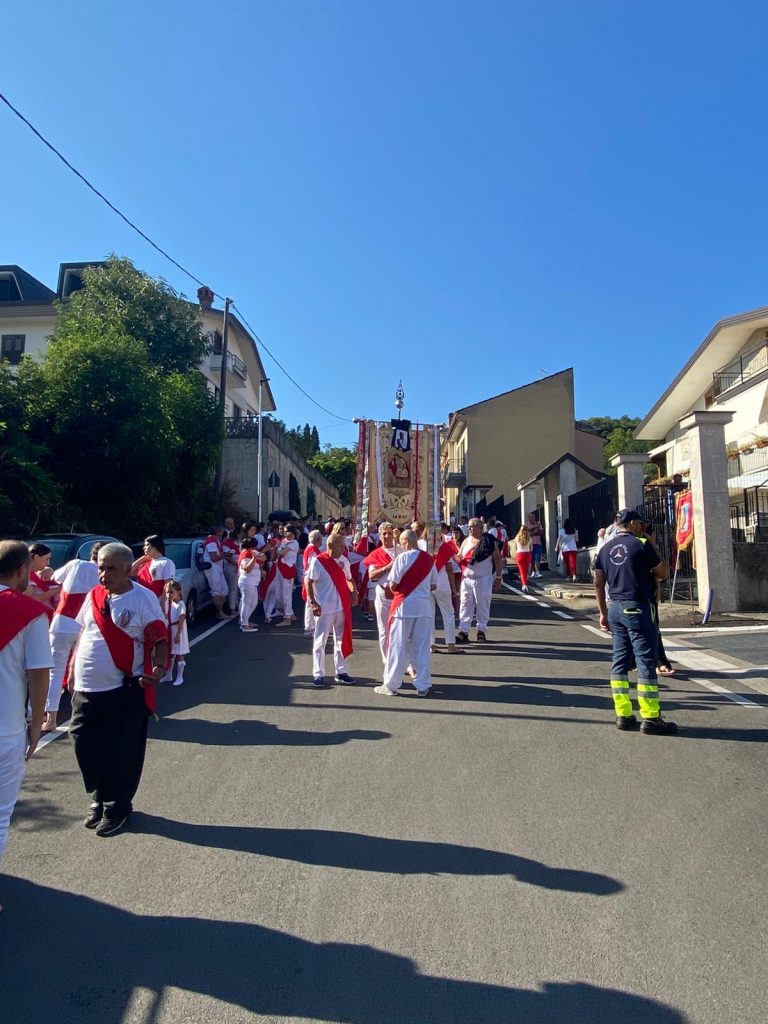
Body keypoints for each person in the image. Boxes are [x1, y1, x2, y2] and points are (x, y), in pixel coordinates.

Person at [68, 542, 169, 836]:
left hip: (121, 690)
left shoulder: (143, 599)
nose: (103, 574)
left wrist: (158, 670)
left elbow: (159, 640)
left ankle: (118, 806)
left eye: (111, 568)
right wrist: (73, 669)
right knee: (84, 745)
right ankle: (98, 797)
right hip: (85, 690)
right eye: (100, 567)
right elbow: (84, 633)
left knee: (119, 752)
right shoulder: (94, 595)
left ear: (128, 569)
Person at [0, 541, 53, 909]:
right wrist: (37, 723)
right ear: (23, 570)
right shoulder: (30, 612)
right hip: (5, 729)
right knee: (1, 812)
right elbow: (38, 674)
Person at [594, 509, 676, 735]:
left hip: (615, 608)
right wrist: (653, 544)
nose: (642, 526)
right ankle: (650, 716)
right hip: (638, 606)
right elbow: (663, 572)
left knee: (619, 661)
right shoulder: (641, 544)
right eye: (640, 523)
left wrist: (602, 612)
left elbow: (599, 584)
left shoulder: (605, 548)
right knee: (645, 660)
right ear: (630, 523)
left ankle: (623, 714)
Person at [43, 543, 101, 733]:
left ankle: (51, 718)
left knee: (55, 672)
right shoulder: (105, 576)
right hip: (85, 627)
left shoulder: (76, 564)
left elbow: (53, 577)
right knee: (81, 671)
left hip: (62, 624)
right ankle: (82, 713)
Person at [374, 529, 438, 697]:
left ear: (406, 542)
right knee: (422, 648)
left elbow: (393, 585)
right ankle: (423, 685)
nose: (400, 545)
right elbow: (433, 585)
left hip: (403, 606)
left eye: (401, 542)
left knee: (397, 646)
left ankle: (391, 684)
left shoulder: (402, 558)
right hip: (423, 607)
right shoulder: (429, 559)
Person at [305, 531, 355, 688]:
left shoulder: (344, 561)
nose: (344, 549)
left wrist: (354, 591)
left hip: (341, 607)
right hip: (324, 608)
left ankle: (341, 672)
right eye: (341, 546)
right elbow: (308, 581)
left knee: (340, 640)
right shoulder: (318, 561)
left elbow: (349, 579)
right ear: (331, 546)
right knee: (320, 642)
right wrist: (313, 602)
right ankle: (318, 674)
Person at [456, 518, 503, 643]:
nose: (470, 528)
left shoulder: (488, 541)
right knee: (465, 605)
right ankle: (463, 631)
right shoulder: (466, 541)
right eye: (469, 526)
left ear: (480, 528)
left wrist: (498, 577)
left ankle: (481, 631)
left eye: (473, 526)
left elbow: (497, 559)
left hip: (483, 579)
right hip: (467, 579)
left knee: (482, 605)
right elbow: (460, 556)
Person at [364, 521, 400, 664]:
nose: (387, 536)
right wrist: (387, 567)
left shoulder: (401, 550)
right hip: (383, 594)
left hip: (400, 595)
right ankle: (387, 661)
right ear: (379, 536)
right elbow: (372, 576)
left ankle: (401, 660)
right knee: (384, 629)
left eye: (389, 533)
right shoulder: (376, 554)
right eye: (384, 534)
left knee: (400, 630)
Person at [431, 532, 460, 654]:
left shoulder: (421, 545)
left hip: (426, 581)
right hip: (441, 580)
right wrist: (454, 588)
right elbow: (449, 568)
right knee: (448, 613)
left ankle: (431, 645)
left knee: (429, 615)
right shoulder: (444, 546)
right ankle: (451, 645)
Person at [265, 527, 300, 627]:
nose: (284, 533)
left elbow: (281, 552)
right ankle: (289, 613)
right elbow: (279, 551)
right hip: (280, 568)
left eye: (286, 531)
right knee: (279, 592)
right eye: (284, 531)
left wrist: (279, 550)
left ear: (292, 532)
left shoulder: (294, 543)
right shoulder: (284, 541)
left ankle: (287, 617)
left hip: (288, 570)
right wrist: (279, 550)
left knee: (287, 594)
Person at [132, 536, 176, 611]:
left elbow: (168, 584)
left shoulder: (167, 562)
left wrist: (162, 603)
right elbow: (130, 572)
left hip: (156, 603)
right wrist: (142, 559)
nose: (144, 548)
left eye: (146, 545)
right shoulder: (146, 563)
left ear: (154, 546)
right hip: (142, 602)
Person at [163, 581, 190, 685]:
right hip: (170, 630)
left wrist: (178, 634)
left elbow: (181, 619)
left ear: (178, 592)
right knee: (170, 654)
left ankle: (180, 677)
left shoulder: (181, 604)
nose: (169, 594)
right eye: (167, 592)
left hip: (178, 632)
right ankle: (168, 675)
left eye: (171, 592)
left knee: (179, 654)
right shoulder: (170, 603)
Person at [25, 543, 61, 617]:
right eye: (46, 559)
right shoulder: (25, 576)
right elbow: (31, 600)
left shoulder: (35, 574)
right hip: (34, 618)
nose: (48, 563)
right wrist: (57, 589)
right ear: (37, 557)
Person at [202, 526, 230, 620]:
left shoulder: (216, 541)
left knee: (224, 590)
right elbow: (213, 558)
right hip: (213, 569)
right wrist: (225, 555)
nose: (223, 532)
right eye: (222, 530)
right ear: (218, 531)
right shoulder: (211, 542)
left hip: (218, 568)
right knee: (216, 591)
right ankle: (219, 613)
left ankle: (219, 611)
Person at [237, 539, 264, 633]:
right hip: (247, 582)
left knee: (254, 603)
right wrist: (254, 558)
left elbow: (264, 557)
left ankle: (245, 620)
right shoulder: (245, 554)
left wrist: (257, 555)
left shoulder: (252, 552)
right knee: (246, 603)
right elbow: (247, 569)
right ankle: (244, 625)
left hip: (253, 582)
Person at [301, 529, 323, 636]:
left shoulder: (309, 548)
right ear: (318, 539)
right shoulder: (313, 550)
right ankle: (310, 628)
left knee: (310, 602)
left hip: (310, 576)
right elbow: (313, 565)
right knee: (311, 602)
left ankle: (311, 627)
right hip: (312, 578)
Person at [221, 528, 241, 615]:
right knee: (233, 588)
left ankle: (234, 605)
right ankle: (232, 608)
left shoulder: (236, 543)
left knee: (235, 588)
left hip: (236, 566)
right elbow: (227, 557)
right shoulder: (226, 543)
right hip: (231, 568)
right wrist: (237, 564)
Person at [513, 524, 533, 592]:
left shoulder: (517, 537)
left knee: (522, 571)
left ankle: (524, 585)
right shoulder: (529, 538)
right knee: (526, 570)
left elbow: (515, 546)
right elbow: (531, 548)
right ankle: (524, 584)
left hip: (519, 554)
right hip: (527, 554)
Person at [527, 513, 545, 578]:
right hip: (529, 544)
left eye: (533, 517)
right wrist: (534, 528)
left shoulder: (538, 523)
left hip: (537, 543)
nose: (532, 518)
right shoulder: (526, 525)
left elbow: (541, 532)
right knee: (531, 559)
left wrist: (533, 533)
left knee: (537, 558)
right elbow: (527, 534)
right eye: (530, 517)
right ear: (528, 518)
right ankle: (533, 571)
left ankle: (537, 572)